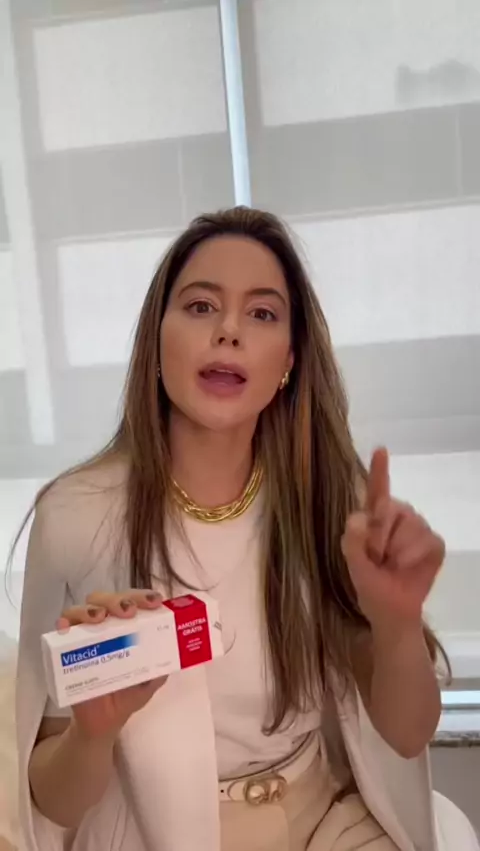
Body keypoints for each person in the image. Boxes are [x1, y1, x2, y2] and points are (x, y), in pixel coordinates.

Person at [16, 207, 450, 851]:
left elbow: (408, 735)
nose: (228, 330)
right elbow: (49, 800)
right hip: (153, 831)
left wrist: (397, 623)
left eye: (262, 313)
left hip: (323, 819)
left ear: (288, 363)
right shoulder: (75, 516)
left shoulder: (333, 501)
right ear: (156, 342)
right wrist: (92, 732)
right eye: (200, 306)